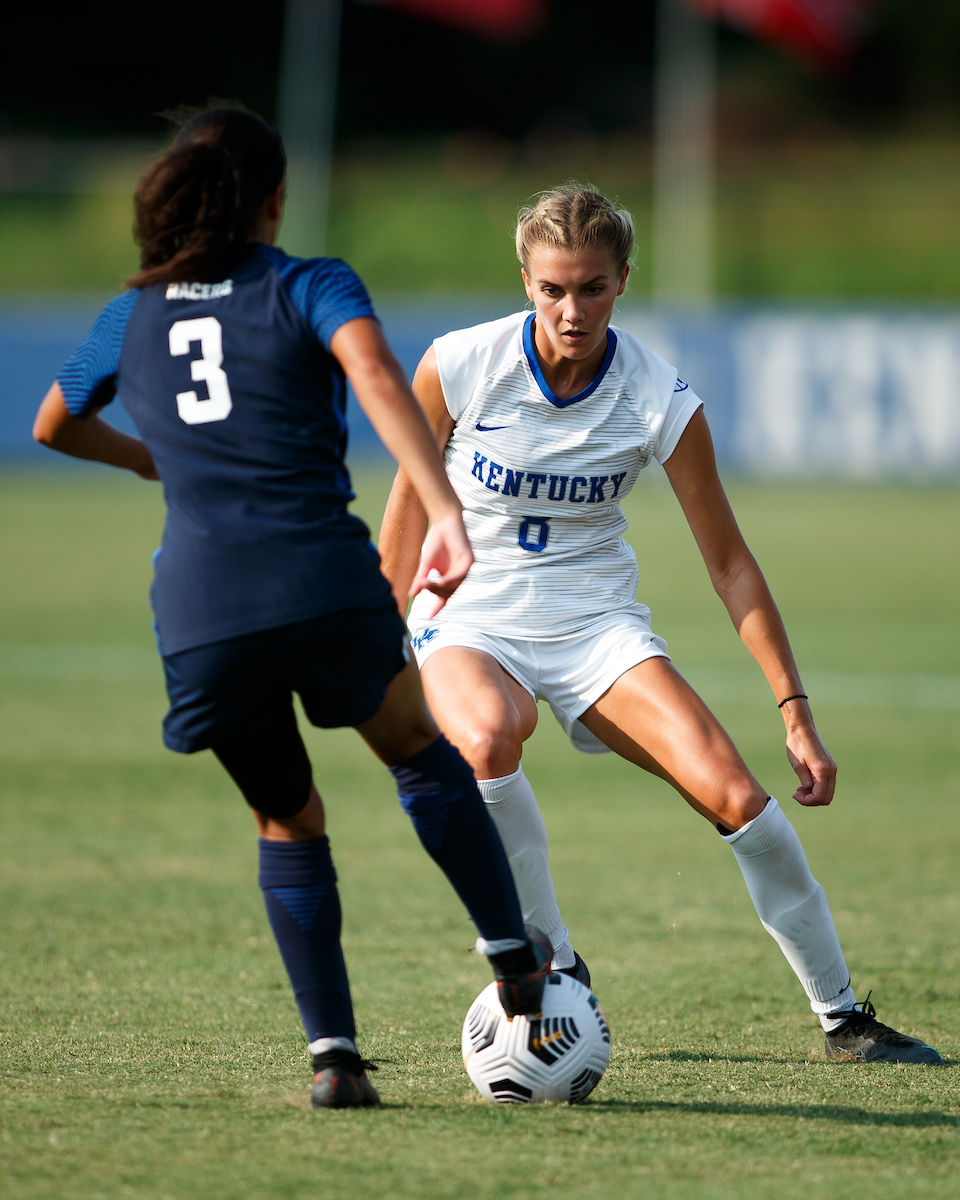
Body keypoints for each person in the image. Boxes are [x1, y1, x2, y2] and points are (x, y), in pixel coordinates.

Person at [32, 105, 551, 1110]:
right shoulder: (309, 282)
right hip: (320, 582)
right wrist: (442, 506)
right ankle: (513, 959)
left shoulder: (127, 313)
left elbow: (55, 422)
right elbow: (372, 372)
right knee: (417, 753)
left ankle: (334, 1060)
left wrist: (153, 459)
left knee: (287, 815)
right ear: (275, 198)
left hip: (200, 612)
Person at [379, 185, 942, 1065]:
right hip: (469, 615)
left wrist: (793, 708)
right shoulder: (456, 365)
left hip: (596, 625)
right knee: (487, 738)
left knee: (740, 800)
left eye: (593, 288)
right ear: (524, 280)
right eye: (554, 289)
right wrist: (383, 647)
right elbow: (406, 515)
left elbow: (730, 564)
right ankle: (550, 961)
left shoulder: (657, 396)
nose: (572, 310)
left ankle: (844, 1017)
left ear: (624, 281)